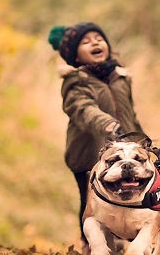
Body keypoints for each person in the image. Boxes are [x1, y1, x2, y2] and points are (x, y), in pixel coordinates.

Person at [48, 22, 148, 242]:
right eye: (86, 42)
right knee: (92, 202)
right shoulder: (76, 82)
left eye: (99, 38)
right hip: (88, 154)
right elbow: (83, 109)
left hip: (123, 150)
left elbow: (130, 115)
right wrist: (108, 124)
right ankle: (91, 244)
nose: (95, 42)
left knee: (127, 194)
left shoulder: (120, 77)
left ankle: (123, 240)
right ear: (75, 56)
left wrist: (141, 141)